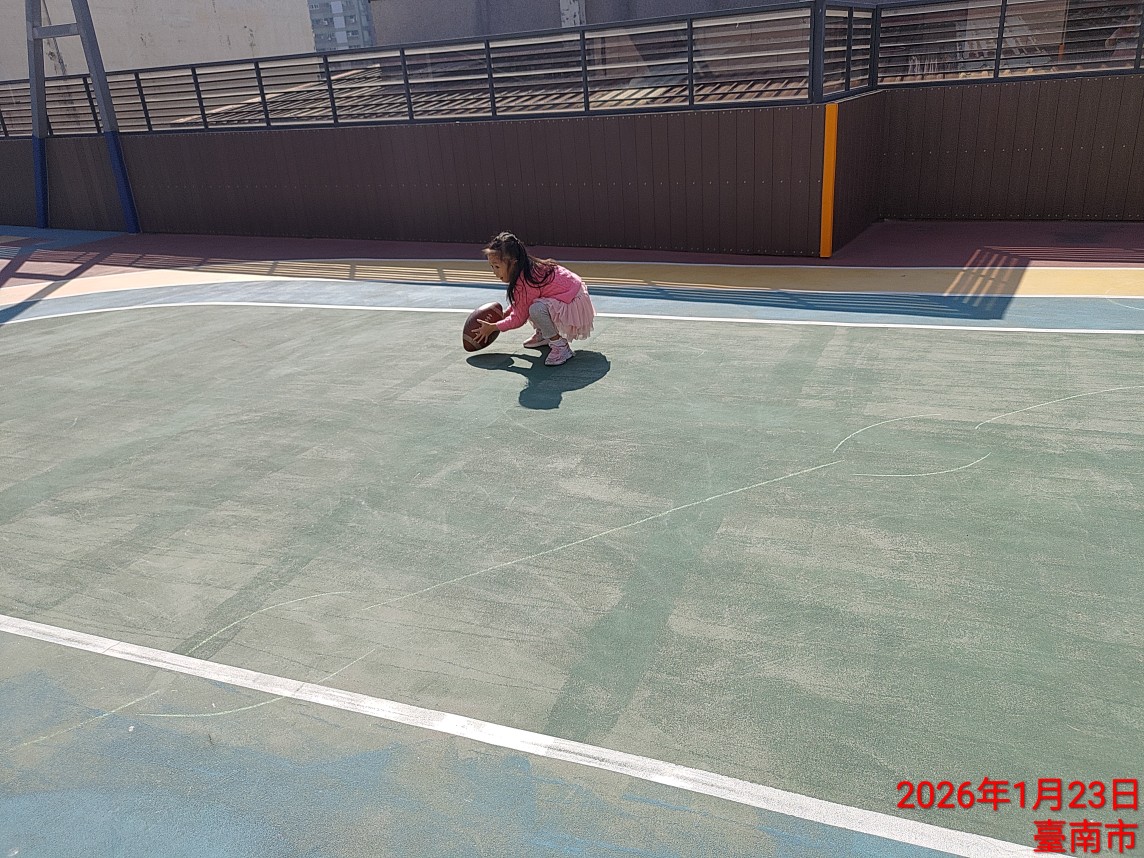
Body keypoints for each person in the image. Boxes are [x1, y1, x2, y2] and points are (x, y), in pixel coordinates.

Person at [475, 232, 596, 366]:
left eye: (497, 266)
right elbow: (520, 304)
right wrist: (504, 314)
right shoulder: (526, 269)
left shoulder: (526, 281)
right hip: (572, 293)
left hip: (573, 300)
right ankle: (544, 334)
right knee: (533, 304)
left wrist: (493, 327)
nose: (494, 271)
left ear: (513, 263)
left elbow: (518, 319)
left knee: (536, 309)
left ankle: (560, 346)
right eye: (492, 266)